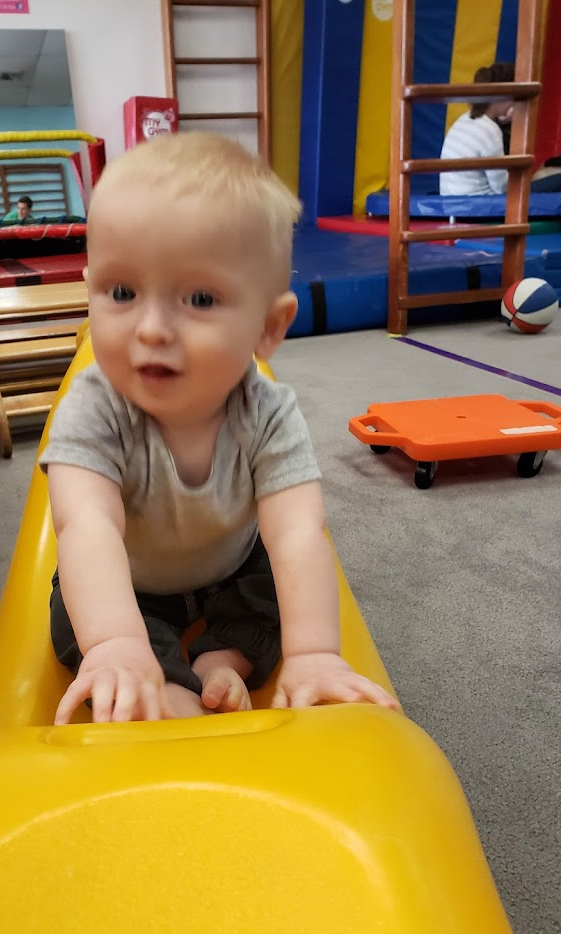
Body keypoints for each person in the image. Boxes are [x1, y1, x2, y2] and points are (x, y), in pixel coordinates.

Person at [39, 132, 399, 725]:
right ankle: (164, 680)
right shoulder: (93, 409)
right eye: (123, 292)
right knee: (74, 618)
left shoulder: (269, 413)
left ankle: (220, 661)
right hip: (131, 580)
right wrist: (115, 644)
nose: (151, 329)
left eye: (200, 299)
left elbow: (297, 534)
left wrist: (314, 654)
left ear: (269, 328)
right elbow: (86, 526)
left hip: (232, 570)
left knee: (283, 587)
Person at [440, 62, 515, 196]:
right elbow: (502, 187)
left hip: (452, 203)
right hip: (477, 206)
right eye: (514, 99)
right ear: (503, 97)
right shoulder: (490, 130)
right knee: (555, 181)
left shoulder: (465, 118)